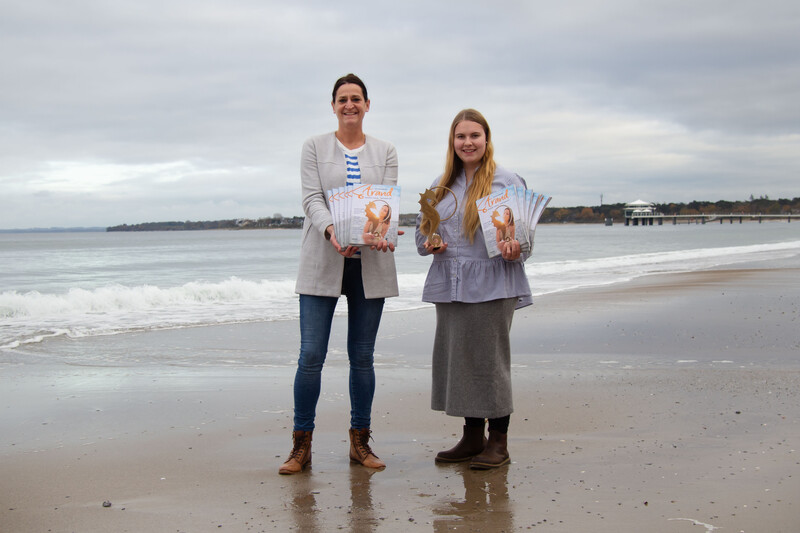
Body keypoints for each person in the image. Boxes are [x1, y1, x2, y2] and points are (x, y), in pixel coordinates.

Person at [280, 74, 399, 475]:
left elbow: (384, 201)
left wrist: (384, 229)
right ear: (333, 105)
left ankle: (360, 442)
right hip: (323, 258)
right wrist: (333, 231)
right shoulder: (313, 147)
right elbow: (312, 197)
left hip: (371, 264)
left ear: (368, 105)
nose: (350, 105)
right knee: (310, 355)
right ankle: (301, 445)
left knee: (362, 357)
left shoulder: (386, 151)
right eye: (342, 99)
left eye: (356, 99)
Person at [415, 108, 532, 469]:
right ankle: (471, 437)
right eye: (460, 136)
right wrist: (430, 243)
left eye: (474, 136)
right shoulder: (440, 184)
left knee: (489, 361)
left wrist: (516, 247)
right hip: (450, 283)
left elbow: (524, 242)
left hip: (493, 281)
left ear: (486, 139)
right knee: (460, 359)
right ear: (452, 141)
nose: (467, 142)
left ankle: (498, 442)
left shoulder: (508, 181)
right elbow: (422, 240)